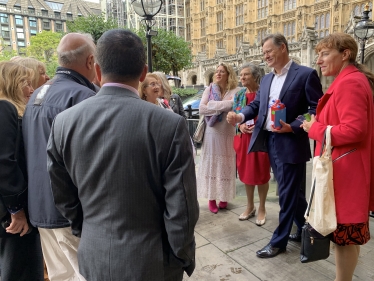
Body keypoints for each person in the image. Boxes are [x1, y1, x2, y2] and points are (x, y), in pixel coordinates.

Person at [46, 29, 199, 281]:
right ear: (143, 72)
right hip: (153, 261)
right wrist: (180, 256)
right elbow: (183, 208)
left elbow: (62, 196)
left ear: (97, 70)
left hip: (94, 256)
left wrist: (87, 230)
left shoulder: (63, 122)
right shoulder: (168, 124)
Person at [227, 33, 323, 258]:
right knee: (291, 193)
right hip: (270, 141)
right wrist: (240, 117)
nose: (266, 56)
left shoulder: (306, 74)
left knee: (286, 194)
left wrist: (294, 126)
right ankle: (307, 228)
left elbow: (316, 110)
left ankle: (278, 241)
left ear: (283, 48)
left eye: (269, 51)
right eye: (264, 53)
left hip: (291, 141)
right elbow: (258, 105)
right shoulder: (268, 79)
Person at [22, 33, 96, 281]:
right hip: (71, 213)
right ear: (90, 61)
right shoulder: (83, 97)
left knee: (60, 276)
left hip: (41, 209)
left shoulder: (37, 94)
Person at [301, 33, 374, 281]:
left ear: (345, 54)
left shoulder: (350, 82)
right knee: (345, 238)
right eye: (318, 54)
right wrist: (317, 123)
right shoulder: (348, 80)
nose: (318, 60)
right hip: (344, 171)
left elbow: (355, 130)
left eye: (324, 54)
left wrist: (315, 129)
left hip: (347, 174)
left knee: (346, 238)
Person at [0, 61, 44, 280]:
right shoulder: (4, 108)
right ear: (11, 84)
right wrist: (17, 210)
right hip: (12, 215)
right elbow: (4, 162)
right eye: (25, 83)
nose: (30, 89)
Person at [197, 63, 241, 214]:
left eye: (222, 71)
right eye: (217, 71)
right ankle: (211, 198)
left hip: (227, 133)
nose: (218, 74)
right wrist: (224, 106)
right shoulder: (209, 89)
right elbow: (202, 109)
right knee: (212, 165)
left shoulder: (237, 90)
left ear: (229, 74)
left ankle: (224, 196)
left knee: (225, 165)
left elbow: (235, 105)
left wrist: (214, 104)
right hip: (211, 133)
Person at [233, 63, 270, 225]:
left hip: (261, 137)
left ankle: (262, 207)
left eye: (245, 74)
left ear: (255, 76)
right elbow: (235, 114)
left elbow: (272, 112)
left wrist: (261, 124)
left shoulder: (265, 93)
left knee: (262, 173)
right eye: (241, 75)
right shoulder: (240, 94)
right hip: (244, 138)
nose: (242, 78)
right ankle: (250, 206)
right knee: (246, 173)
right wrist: (239, 125)